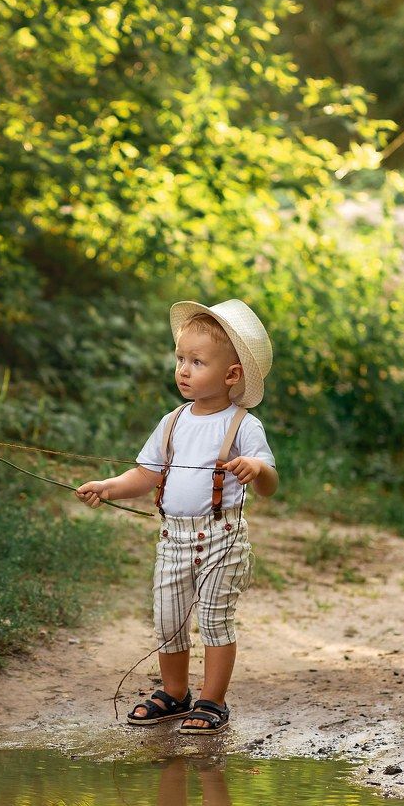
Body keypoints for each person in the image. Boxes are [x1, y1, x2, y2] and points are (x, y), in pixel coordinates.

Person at [76, 300, 278, 734]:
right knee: (168, 617)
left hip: (222, 538)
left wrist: (256, 469)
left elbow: (270, 482)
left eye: (197, 362)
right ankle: (175, 693)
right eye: (180, 359)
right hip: (173, 538)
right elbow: (145, 473)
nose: (183, 370)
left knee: (215, 619)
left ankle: (212, 700)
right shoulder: (173, 422)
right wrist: (108, 487)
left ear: (231, 375)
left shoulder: (243, 425)